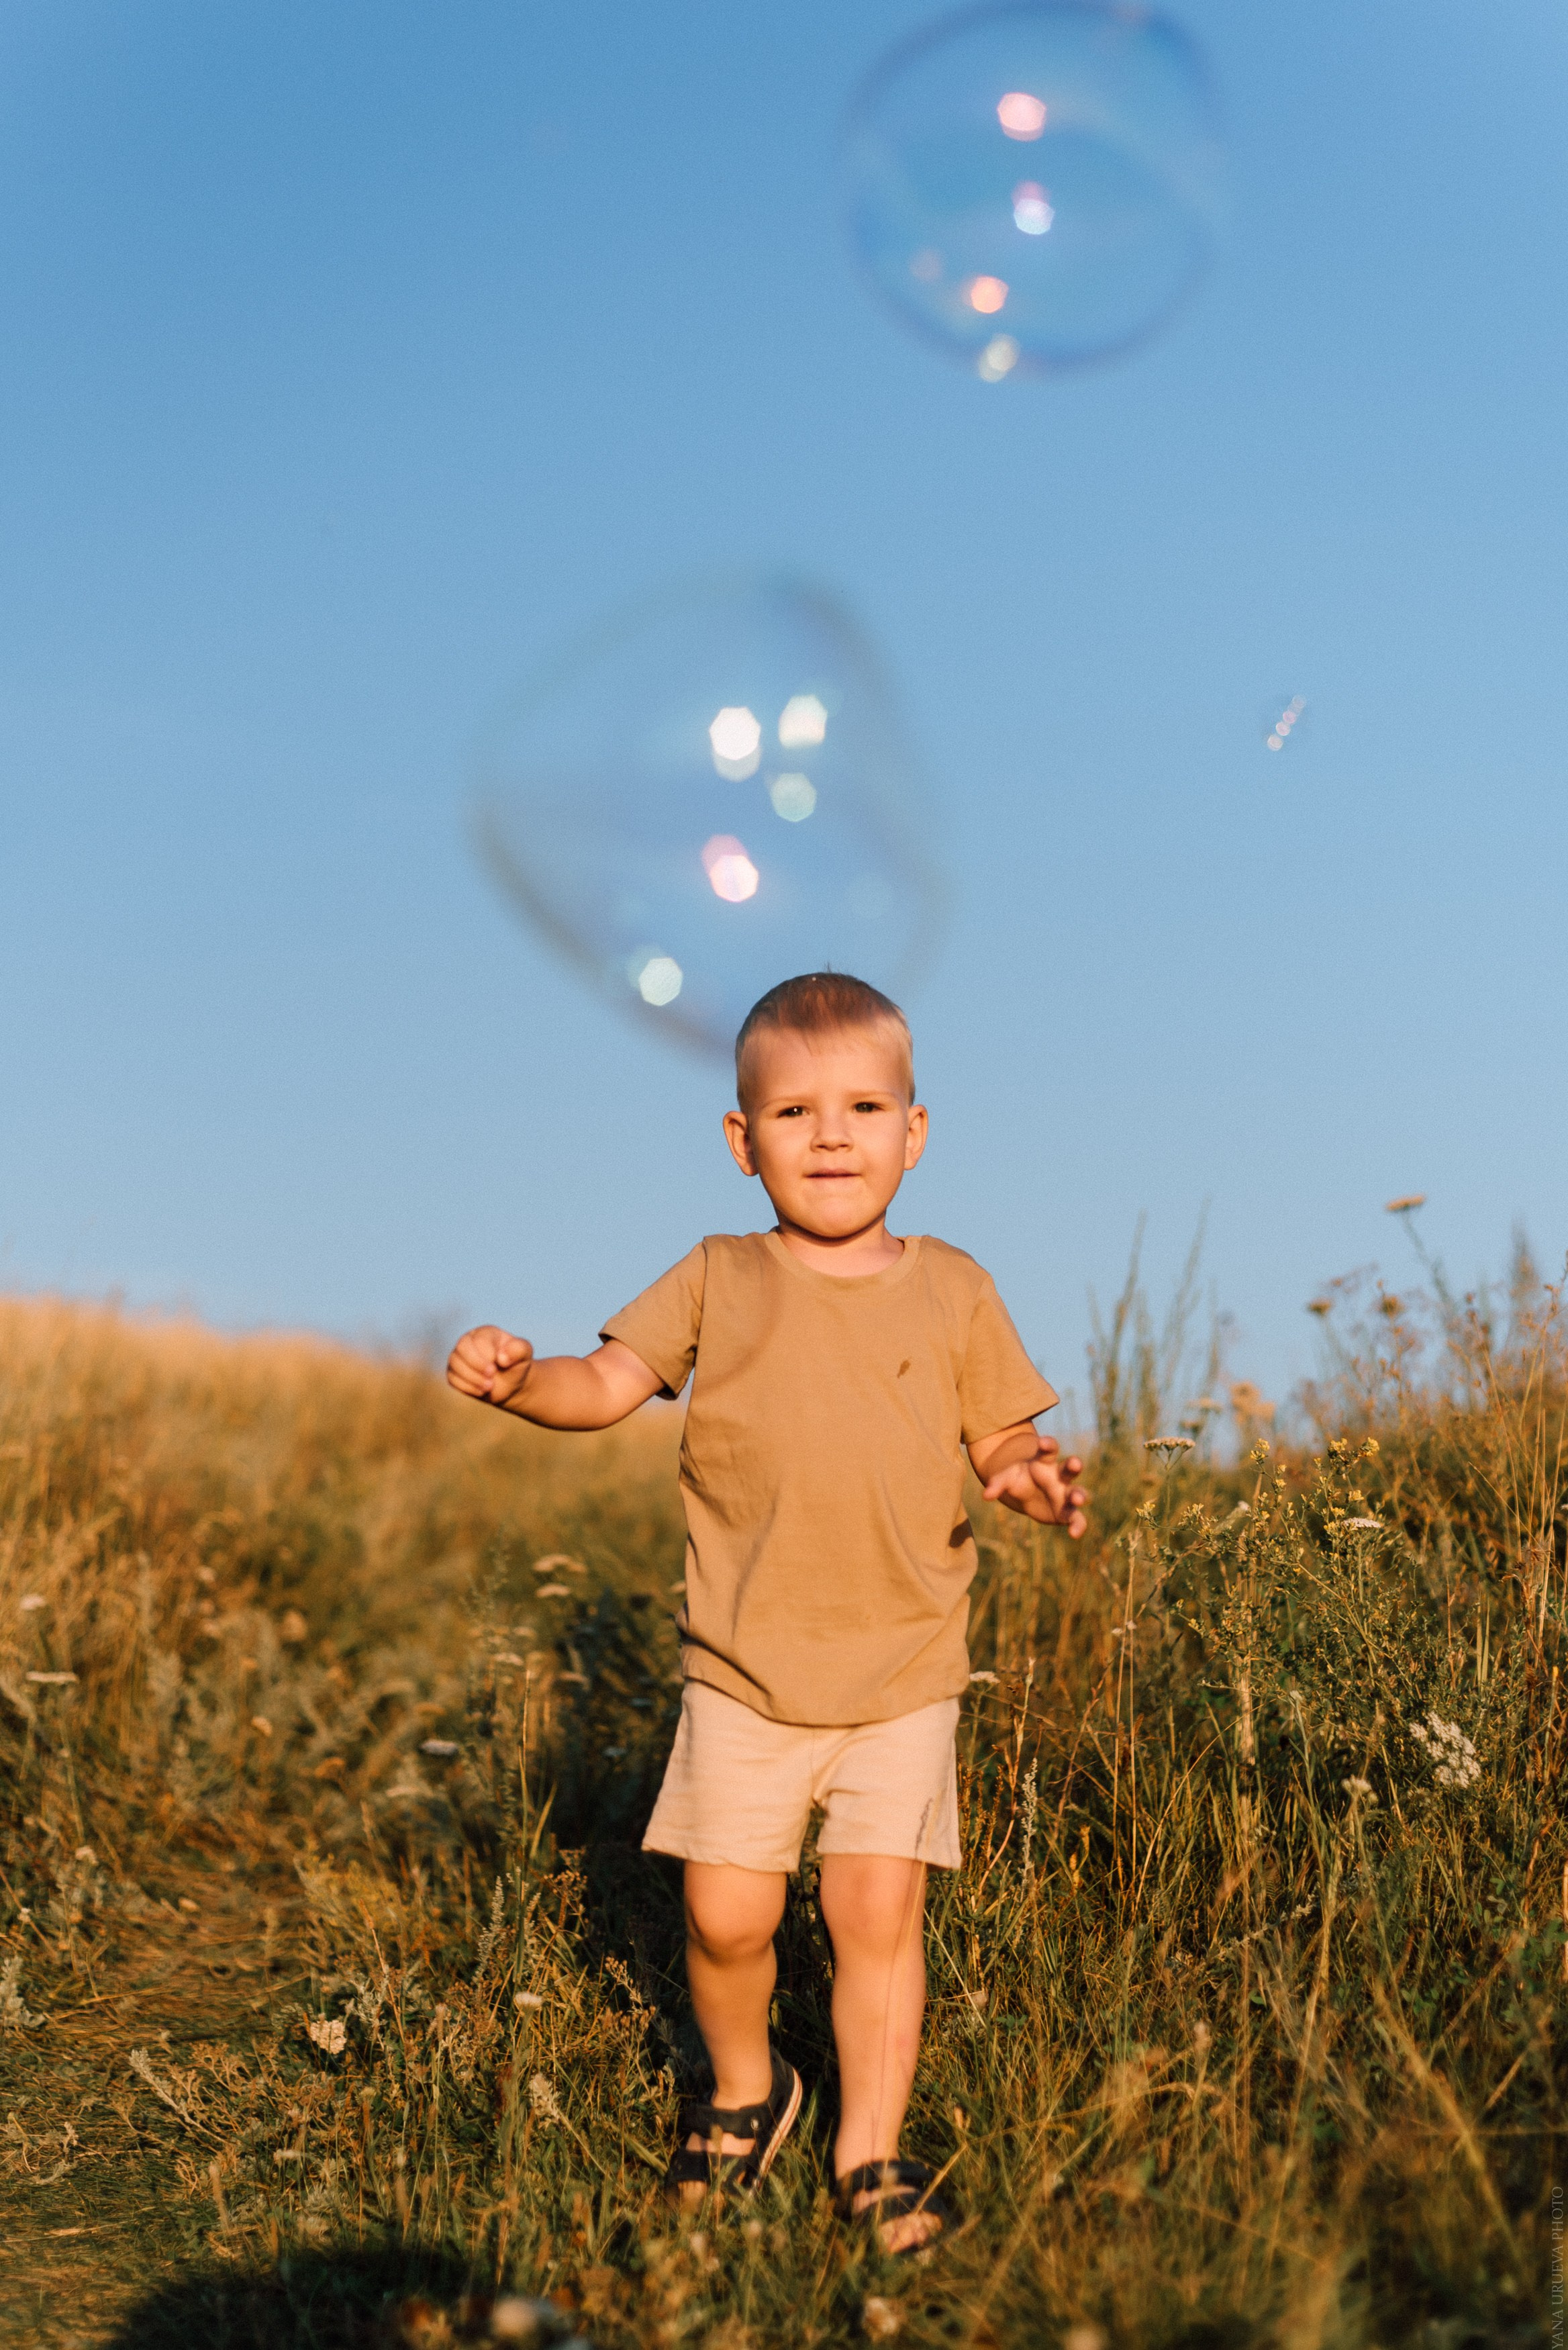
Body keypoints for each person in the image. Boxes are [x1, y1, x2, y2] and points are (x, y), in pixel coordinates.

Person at [446, 972, 1087, 2254]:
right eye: (795, 1112)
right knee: (727, 1919)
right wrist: (523, 1387)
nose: (833, 1134)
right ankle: (751, 2090)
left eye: (864, 1106)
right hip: (742, 1675)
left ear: (916, 1133)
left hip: (901, 1671)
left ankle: (872, 2152)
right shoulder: (718, 1278)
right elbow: (608, 1382)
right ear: (743, 1145)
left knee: (872, 1916)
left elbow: (1002, 1435)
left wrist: (1026, 1477)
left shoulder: (952, 1287)